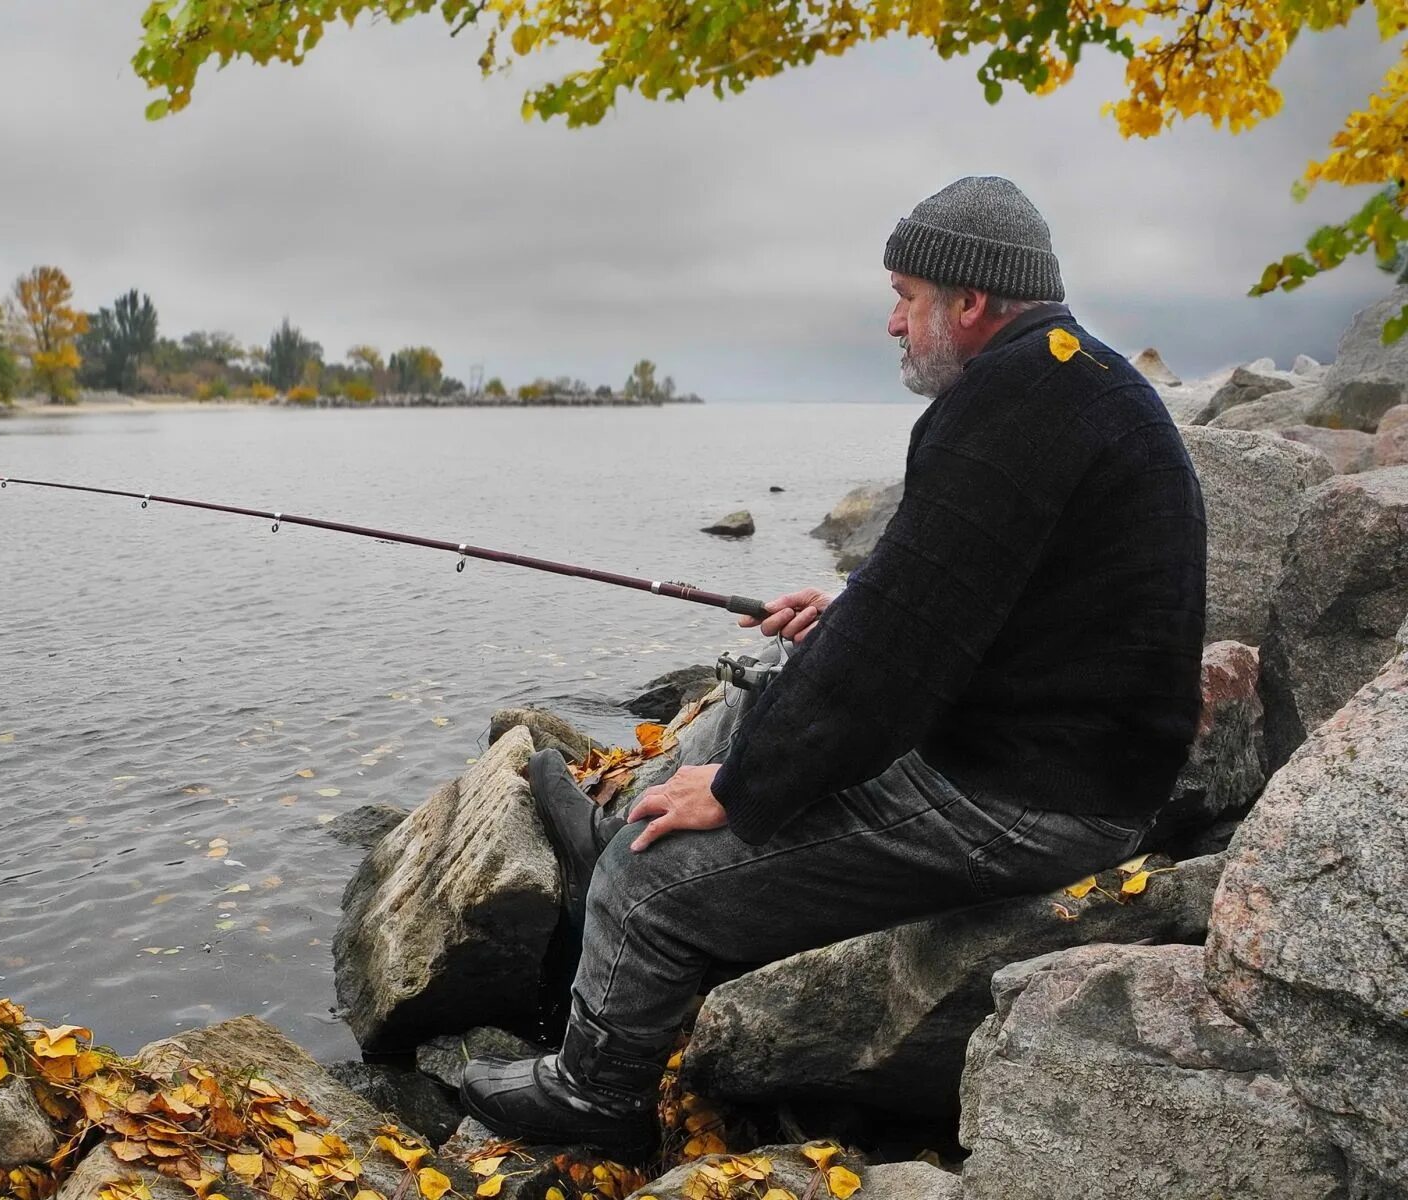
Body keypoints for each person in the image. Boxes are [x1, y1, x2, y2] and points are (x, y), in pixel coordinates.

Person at [459, 176, 1209, 1156]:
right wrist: (846, 609)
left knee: (651, 885)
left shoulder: (1009, 403)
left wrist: (743, 788)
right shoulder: (1073, 378)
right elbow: (950, 591)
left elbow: (886, 674)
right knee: (769, 689)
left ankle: (595, 1090)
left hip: (1028, 801)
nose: (891, 322)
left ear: (967, 300)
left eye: (905, 296)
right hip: (1051, 756)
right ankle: (610, 826)